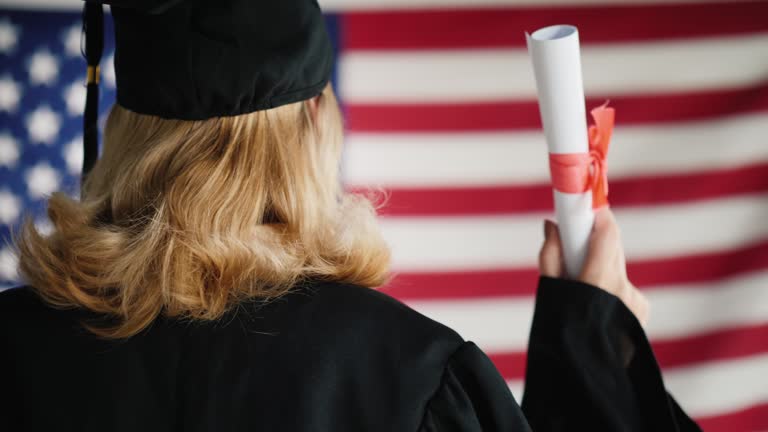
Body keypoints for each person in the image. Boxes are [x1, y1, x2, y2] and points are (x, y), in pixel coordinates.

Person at [0, 0, 701, 430]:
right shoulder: (412, 377)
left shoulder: (14, 359)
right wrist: (599, 345)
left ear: (127, 131)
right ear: (313, 124)